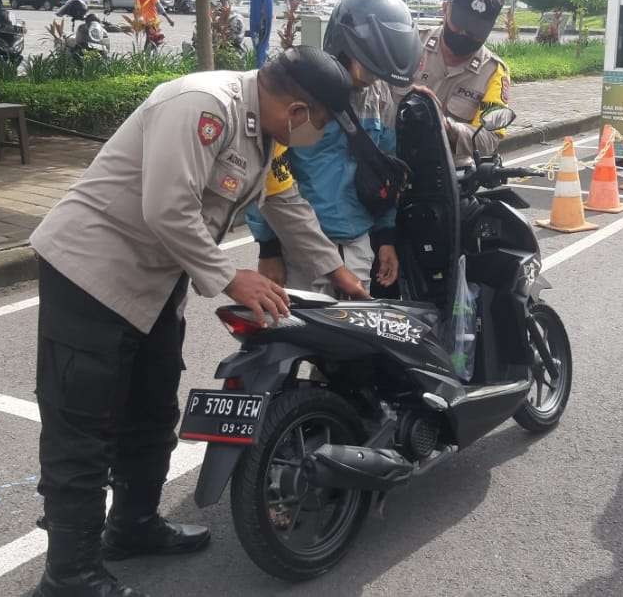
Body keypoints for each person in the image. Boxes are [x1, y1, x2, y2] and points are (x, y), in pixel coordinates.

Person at [28, 47, 369, 597]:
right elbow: (167, 207)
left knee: (151, 408)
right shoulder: (203, 105)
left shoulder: (268, 133)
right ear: (299, 109)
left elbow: (286, 206)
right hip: (89, 273)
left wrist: (336, 269)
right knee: (82, 427)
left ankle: (133, 526)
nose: (320, 133)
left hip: (156, 279)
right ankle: (69, 575)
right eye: (323, 122)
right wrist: (231, 277)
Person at [248, 0, 420, 296]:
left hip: (357, 245)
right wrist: (268, 248)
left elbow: (386, 170)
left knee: (353, 340)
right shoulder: (300, 89)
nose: (371, 79)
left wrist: (385, 238)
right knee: (299, 336)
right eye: (368, 67)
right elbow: (262, 173)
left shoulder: (378, 97)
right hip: (302, 247)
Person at [411, 0, 513, 165]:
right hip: (391, 166)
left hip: (448, 177)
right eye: (460, 23)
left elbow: (489, 139)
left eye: (475, 29)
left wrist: (450, 130)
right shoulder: (410, 44)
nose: (464, 33)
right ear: (445, 9)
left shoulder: (494, 73)